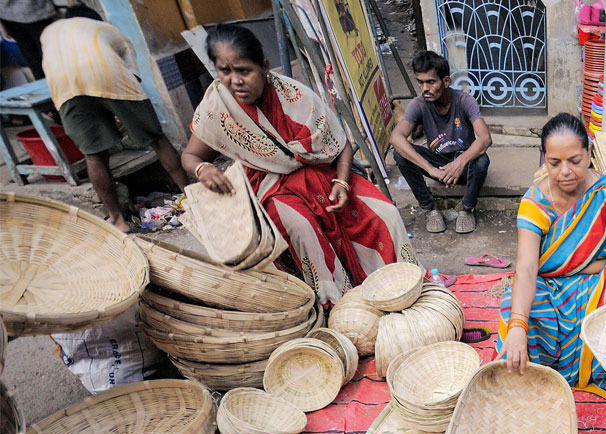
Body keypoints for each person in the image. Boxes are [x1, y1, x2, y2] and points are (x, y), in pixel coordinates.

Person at [182, 24, 417, 308]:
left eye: (244, 71)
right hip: (270, 188)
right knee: (302, 227)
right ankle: (341, 308)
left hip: (324, 176)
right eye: (225, 71)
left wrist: (342, 182)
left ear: (265, 67)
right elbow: (190, 156)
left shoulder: (295, 96)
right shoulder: (217, 106)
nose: (235, 81)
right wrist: (203, 170)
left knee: (386, 213)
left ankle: (404, 289)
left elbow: (340, 144)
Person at [497, 113, 606, 407]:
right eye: (554, 163)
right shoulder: (534, 202)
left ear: (589, 153)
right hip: (551, 288)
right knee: (512, 314)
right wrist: (518, 324)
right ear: (544, 159)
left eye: (575, 161)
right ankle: (536, 381)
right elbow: (527, 267)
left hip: (602, 283)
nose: (565, 171)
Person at [40, 6, 189, 232]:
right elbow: (133, 76)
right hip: (109, 75)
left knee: (94, 158)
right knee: (157, 140)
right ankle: (191, 198)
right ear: (95, 19)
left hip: (66, 88)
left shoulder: (49, 33)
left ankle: (117, 220)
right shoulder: (107, 30)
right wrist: (125, 115)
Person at [390, 50, 491, 235]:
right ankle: (431, 209)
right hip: (438, 165)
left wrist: (459, 163)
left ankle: (467, 209)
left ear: (445, 81)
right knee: (400, 153)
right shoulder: (418, 104)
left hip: (463, 165)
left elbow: (485, 138)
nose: (425, 88)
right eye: (420, 82)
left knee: (482, 160)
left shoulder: (464, 101)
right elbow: (396, 137)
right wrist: (431, 169)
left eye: (431, 82)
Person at [0, 0, 55, 80]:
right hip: (36, 12)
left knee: (33, 60)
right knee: (51, 57)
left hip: (8, 14)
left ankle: (44, 85)